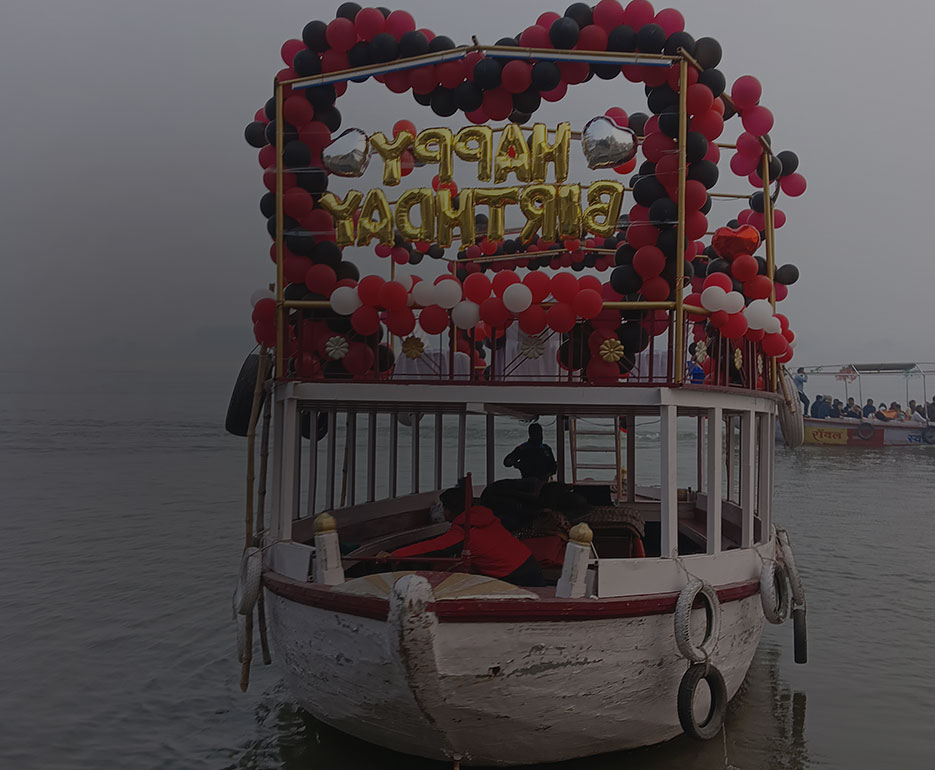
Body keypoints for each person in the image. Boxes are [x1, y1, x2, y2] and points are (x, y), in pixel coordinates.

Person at [388, 485, 545, 586]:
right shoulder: (485, 518)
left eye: (443, 508)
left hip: (514, 576)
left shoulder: (464, 531)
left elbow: (433, 547)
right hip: (529, 565)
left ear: (449, 510)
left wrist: (394, 555)